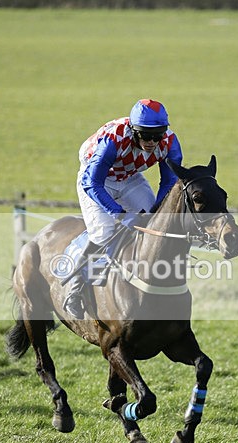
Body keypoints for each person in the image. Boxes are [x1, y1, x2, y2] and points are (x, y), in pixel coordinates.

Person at [63, 99, 183, 319]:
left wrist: (153, 214)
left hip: (129, 179)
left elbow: (167, 183)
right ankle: (75, 289)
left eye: (158, 135)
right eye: (146, 135)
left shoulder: (169, 142)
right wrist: (119, 214)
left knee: (153, 225)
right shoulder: (114, 139)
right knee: (104, 232)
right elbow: (92, 183)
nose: (152, 141)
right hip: (97, 180)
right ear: (134, 130)